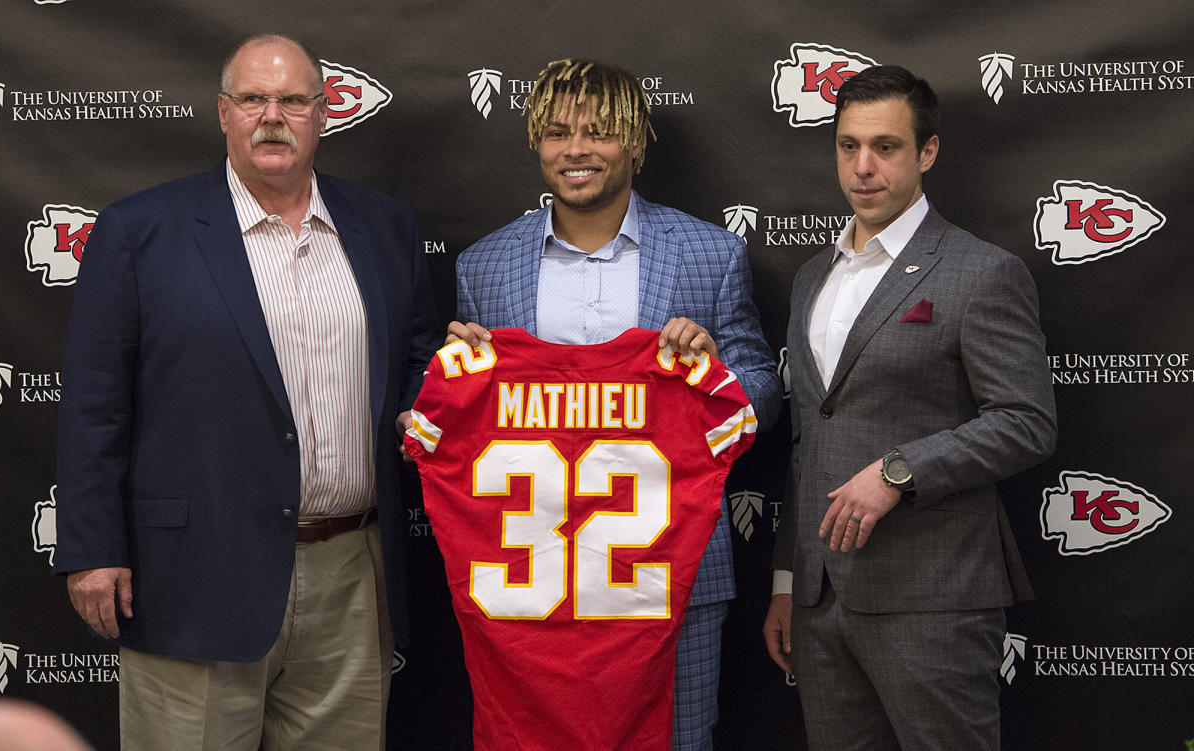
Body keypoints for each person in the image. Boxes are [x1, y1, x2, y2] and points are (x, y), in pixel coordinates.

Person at [53, 34, 436, 750]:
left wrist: (427, 400)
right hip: (192, 573)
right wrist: (91, 547)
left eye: (293, 100)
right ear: (223, 113)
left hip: (352, 568)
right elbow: (93, 403)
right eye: (254, 99)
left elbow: (417, 355)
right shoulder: (140, 231)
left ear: (325, 114)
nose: (273, 117)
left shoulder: (384, 225)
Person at [447, 58, 782, 750]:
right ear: (537, 143)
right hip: (531, 579)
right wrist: (460, 369)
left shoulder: (708, 254)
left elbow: (762, 390)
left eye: (600, 133)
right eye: (558, 132)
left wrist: (713, 375)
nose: (576, 150)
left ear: (636, 142)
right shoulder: (484, 265)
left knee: (679, 739)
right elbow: (467, 421)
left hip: (666, 571)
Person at [763, 65, 1057, 750]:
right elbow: (811, 438)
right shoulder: (813, 277)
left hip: (934, 598)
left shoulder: (981, 272)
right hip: (819, 599)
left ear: (926, 152)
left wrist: (899, 470)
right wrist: (787, 578)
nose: (863, 167)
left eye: (886, 147)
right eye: (847, 146)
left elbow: (1027, 421)